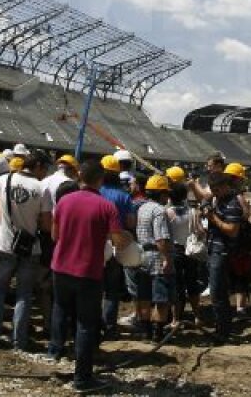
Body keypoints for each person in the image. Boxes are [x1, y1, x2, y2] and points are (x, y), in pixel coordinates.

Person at [50, 159, 132, 391]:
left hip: (60, 267)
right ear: (101, 179)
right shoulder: (105, 206)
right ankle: (82, 377)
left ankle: (55, 352)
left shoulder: (64, 200)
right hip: (87, 271)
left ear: (79, 177)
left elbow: (55, 236)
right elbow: (118, 241)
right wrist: (126, 238)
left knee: (61, 309)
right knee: (86, 324)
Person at [0, 149, 52, 350]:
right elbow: (47, 225)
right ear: (38, 166)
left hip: (4, 243)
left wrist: (0, 218)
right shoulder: (41, 188)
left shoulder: (4, 180)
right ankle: (19, 340)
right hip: (29, 248)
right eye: (45, 169)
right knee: (24, 294)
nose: (45, 173)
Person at [98, 154, 137, 336]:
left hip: (95, 244)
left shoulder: (95, 192)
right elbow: (130, 223)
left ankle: (93, 324)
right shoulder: (124, 196)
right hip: (116, 244)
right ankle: (110, 328)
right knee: (112, 291)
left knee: (94, 288)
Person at [204, 172, 243, 343]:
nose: (214, 192)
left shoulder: (232, 204)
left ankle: (222, 331)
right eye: (212, 189)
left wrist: (213, 218)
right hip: (215, 248)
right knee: (218, 293)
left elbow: (232, 231)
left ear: (226, 186)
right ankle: (222, 328)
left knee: (217, 293)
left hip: (222, 252)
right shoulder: (219, 199)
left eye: (216, 189)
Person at [136, 174, 175, 341]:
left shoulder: (142, 208)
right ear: (161, 194)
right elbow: (161, 238)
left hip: (142, 255)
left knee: (144, 297)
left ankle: (145, 331)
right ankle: (157, 333)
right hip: (157, 257)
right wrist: (167, 258)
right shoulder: (159, 210)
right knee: (161, 298)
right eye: (166, 193)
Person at [166, 181, 203, 328]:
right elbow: (200, 231)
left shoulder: (167, 212)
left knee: (176, 285)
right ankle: (197, 316)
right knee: (192, 283)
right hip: (190, 250)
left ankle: (175, 319)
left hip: (174, 250)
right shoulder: (192, 212)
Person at [224, 162, 251, 315]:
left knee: (227, 274)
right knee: (240, 275)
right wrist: (247, 208)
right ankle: (240, 307)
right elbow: (246, 216)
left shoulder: (219, 194)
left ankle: (226, 306)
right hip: (238, 241)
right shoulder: (238, 196)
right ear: (235, 178)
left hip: (223, 240)